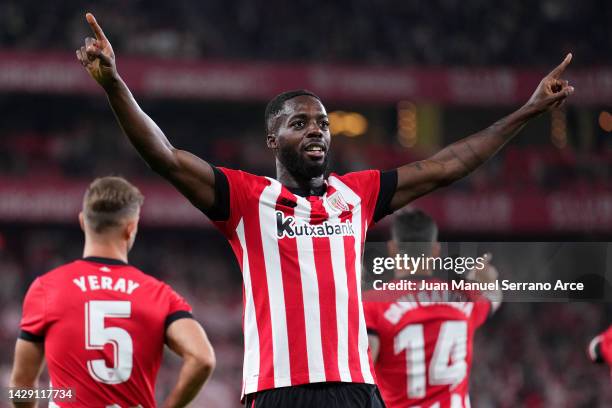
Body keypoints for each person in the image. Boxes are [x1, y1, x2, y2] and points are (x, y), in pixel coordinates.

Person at [75, 12, 573, 407]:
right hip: (278, 390)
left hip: (358, 389)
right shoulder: (247, 199)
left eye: (324, 123)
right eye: (300, 122)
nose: (317, 129)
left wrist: (528, 111)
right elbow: (165, 157)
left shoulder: (357, 195)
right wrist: (116, 85)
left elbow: (448, 164)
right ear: (273, 138)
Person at [9, 177, 215, 408]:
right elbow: (202, 358)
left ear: (82, 222)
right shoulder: (160, 295)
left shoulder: (47, 288)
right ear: (130, 228)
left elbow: (21, 388)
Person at [363, 209, 501, 408]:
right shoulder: (463, 299)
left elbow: (362, 377)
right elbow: (494, 297)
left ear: (392, 249)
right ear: (435, 250)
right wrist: (482, 280)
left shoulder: (372, 305)